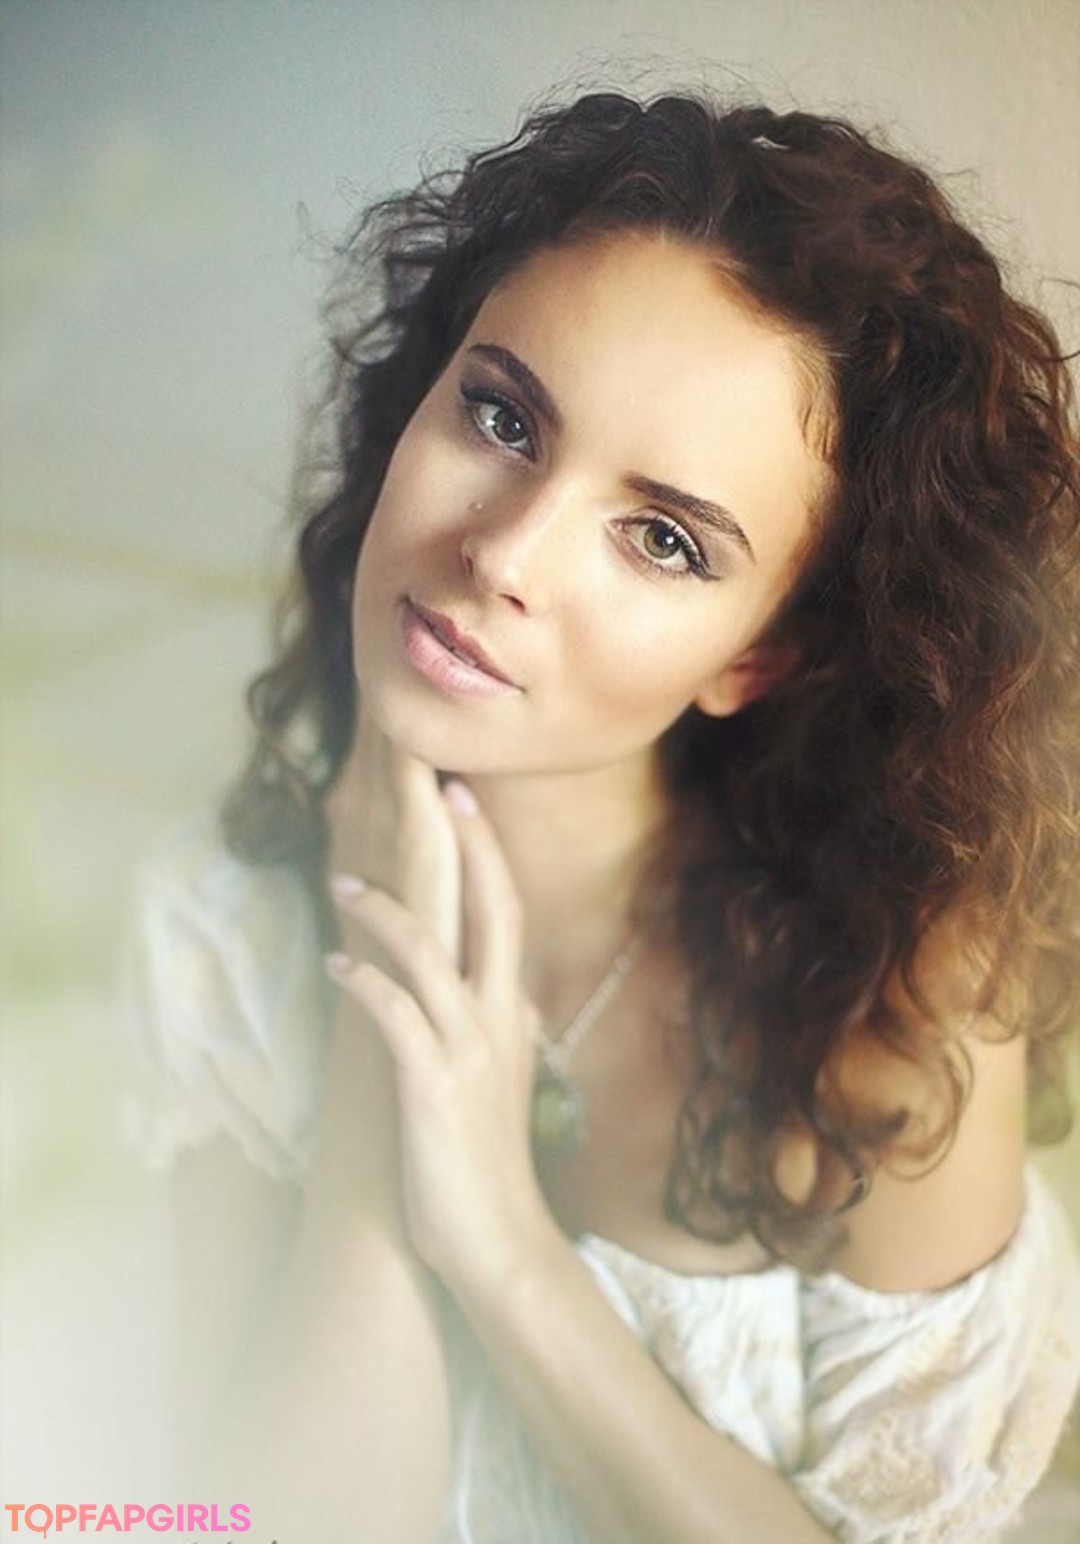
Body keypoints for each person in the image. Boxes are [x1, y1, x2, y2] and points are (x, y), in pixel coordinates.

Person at [128, 91, 1080, 1542]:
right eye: (502, 417)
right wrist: (387, 1027)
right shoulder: (230, 929)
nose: (503, 554)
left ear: (762, 656)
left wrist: (501, 1244)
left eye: (663, 540)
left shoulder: (898, 994)